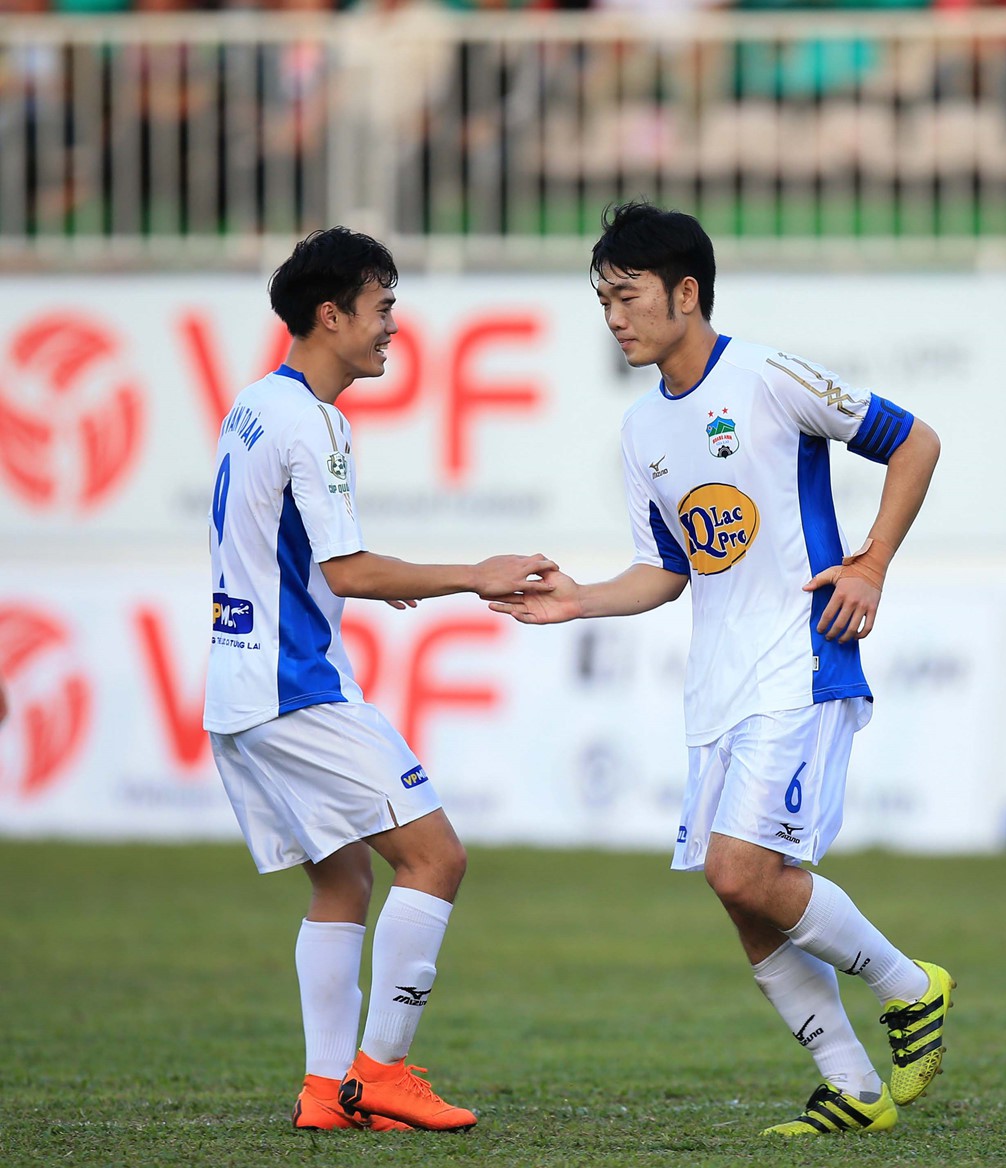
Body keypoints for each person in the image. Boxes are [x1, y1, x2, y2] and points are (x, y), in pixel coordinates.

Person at [488, 201, 952, 1136]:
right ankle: (853, 1086)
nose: (614, 316)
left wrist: (869, 564)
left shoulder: (770, 376)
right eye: (604, 301)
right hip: (719, 682)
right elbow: (666, 570)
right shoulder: (640, 434)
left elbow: (916, 441)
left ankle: (911, 986)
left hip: (801, 664)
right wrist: (577, 598)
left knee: (746, 874)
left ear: (685, 292)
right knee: (738, 896)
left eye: (627, 296)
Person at [203, 226, 557, 1133]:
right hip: (295, 687)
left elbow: (311, 563)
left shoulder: (250, 405)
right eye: (383, 306)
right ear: (333, 314)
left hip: (238, 690)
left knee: (342, 883)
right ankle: (382, 1070)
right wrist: (473, 575)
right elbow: (351, 571)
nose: (393, 325)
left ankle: (326, 1091)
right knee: (437, 858)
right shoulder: (313, 421)